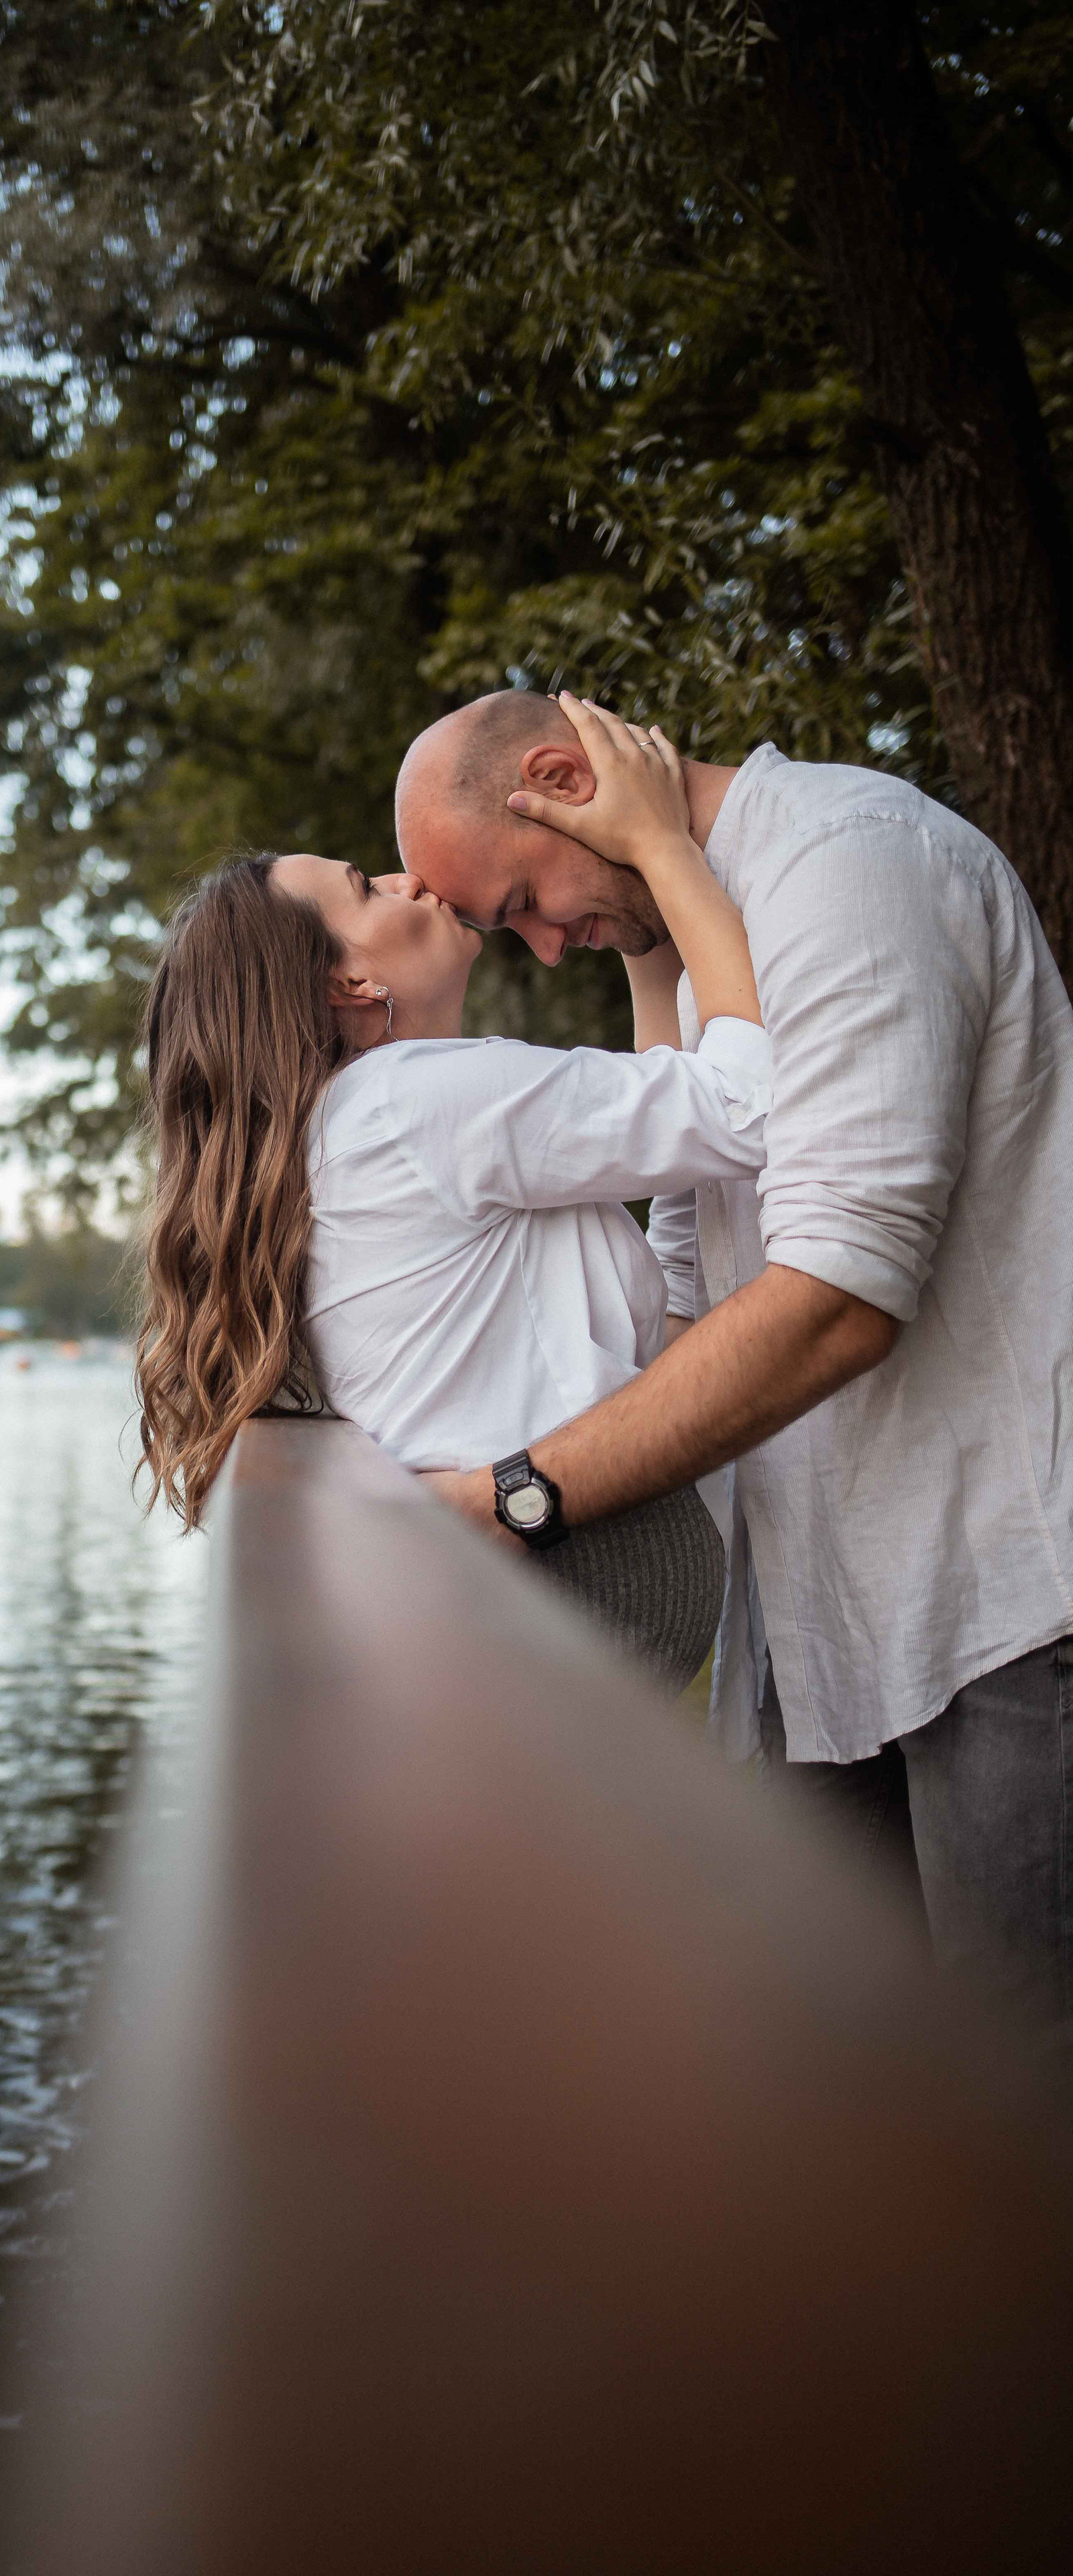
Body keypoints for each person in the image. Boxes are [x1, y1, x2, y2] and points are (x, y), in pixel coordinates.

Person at [400, 688, 1073, 2033]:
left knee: (1020, 2095)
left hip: (1001, 1606)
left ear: (561, 780)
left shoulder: (849, 866)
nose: (542, 948)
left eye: (521, 903)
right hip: (816, 1626)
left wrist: (514, 1497)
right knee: (853, 2088)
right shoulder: (702, 919)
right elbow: (689, 1280)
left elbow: (837, 1298)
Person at [135, 722, 771, 1689]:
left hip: (522, 1621)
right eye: (366, 888)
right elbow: (746, 1105)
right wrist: (663, 849)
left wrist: (644, 936)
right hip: (557, 1608)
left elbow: (668, 1132)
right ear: (350, 981)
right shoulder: (416, 1102)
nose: (409, 881)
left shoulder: (353, 1132)